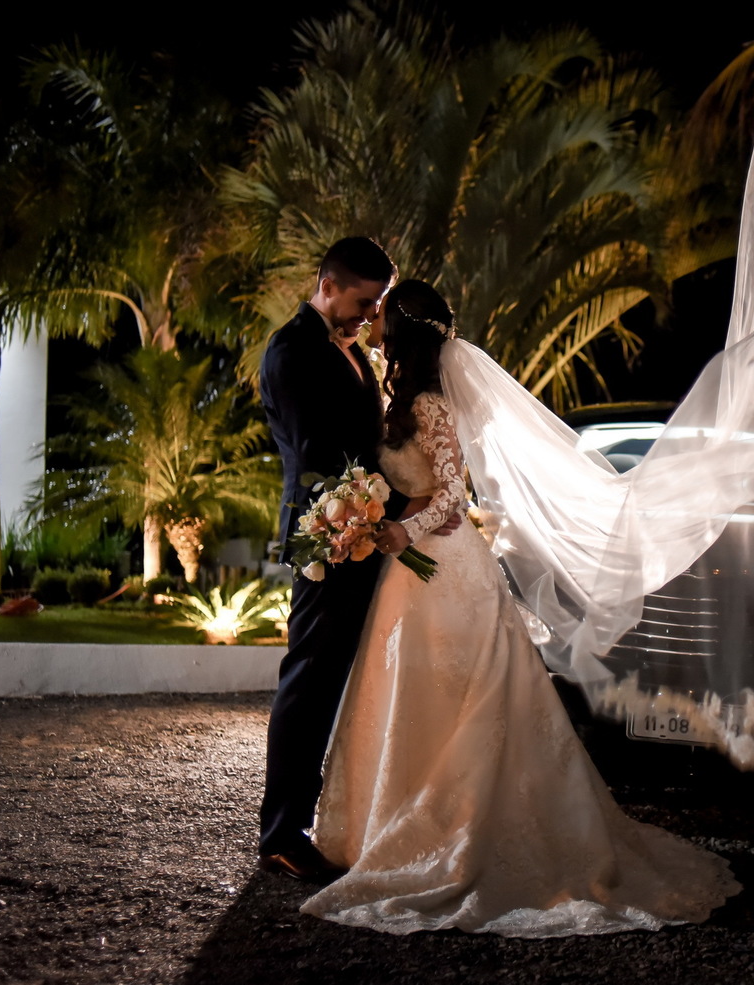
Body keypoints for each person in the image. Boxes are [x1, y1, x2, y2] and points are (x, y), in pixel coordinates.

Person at [298, 280, 740, 936]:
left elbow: (452, 492)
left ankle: (459, 829)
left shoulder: (432, 404)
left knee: (465, 700)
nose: (377, 324)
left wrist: (401, 531)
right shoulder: (398, 397)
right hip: (406, 573)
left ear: (405, 333)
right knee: (407, 695)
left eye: (384, 316)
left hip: (443, 566)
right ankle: (380, 825)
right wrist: (368, 514)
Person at [258, 238, 460, 882]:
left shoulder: (350, 353)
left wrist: (409, 509)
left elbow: (369, 447)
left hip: (367, 537)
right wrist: (365, 517)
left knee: (352, 686)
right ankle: (282, 832)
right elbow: (319, 460)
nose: (368, 316)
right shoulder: (293, 351)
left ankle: (349, 817)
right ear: (328, 283)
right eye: (361, 301)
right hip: (328, 541)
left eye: (375, 305)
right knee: (310, 682)